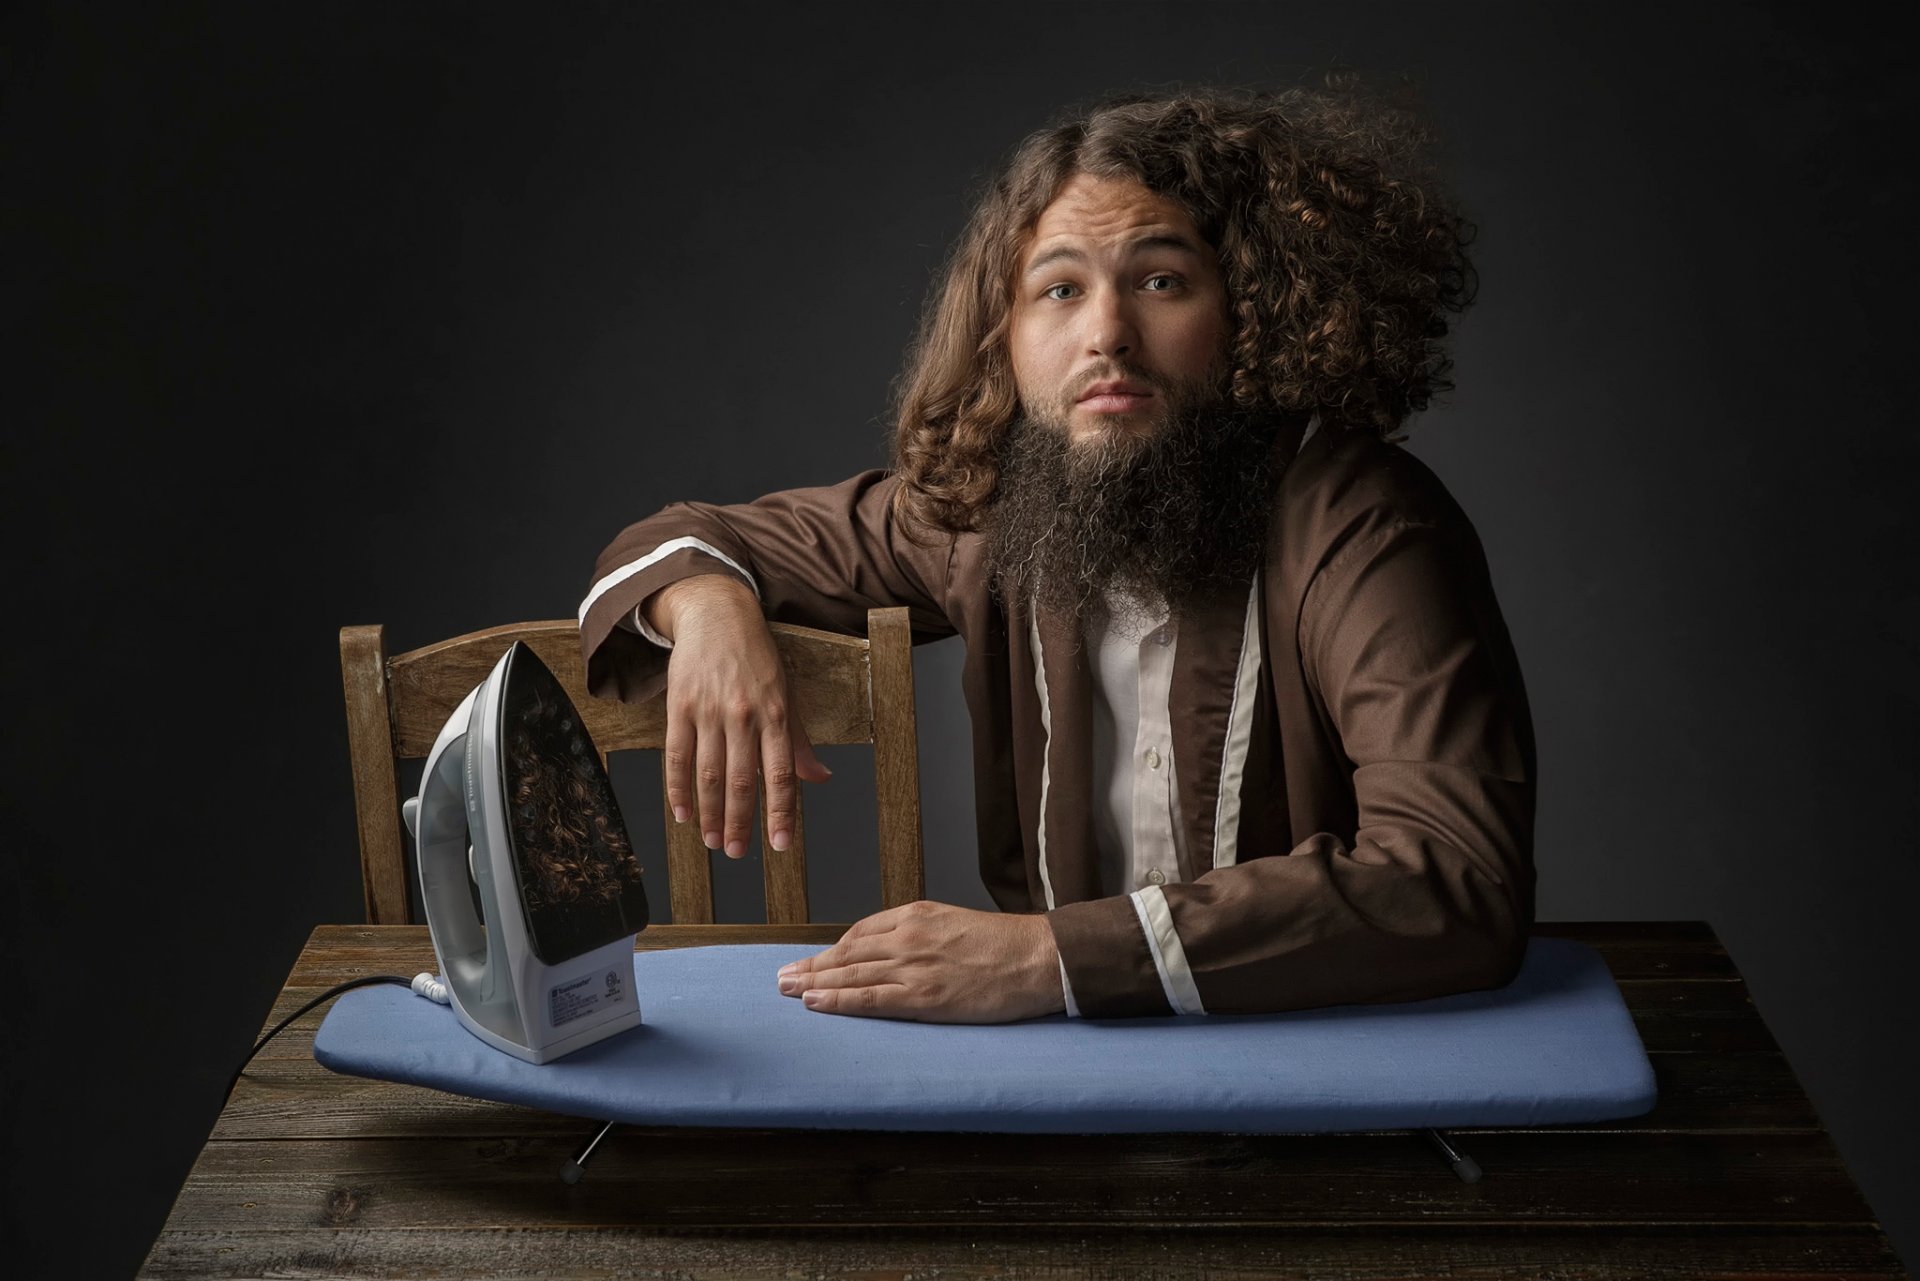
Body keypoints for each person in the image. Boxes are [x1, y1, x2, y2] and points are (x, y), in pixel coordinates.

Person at [576, 78, 1537, 1024]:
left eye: (1161, 281)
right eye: (1060, 289)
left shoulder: (1364, 527)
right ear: (1008, 337)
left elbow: (1454, 879)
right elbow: (688, 538)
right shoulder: (985, 518)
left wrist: (1050, 957)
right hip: (1073, 1092)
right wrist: (708, 609)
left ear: (1250, 308)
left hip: (1329, 1078)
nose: (1107, 334)